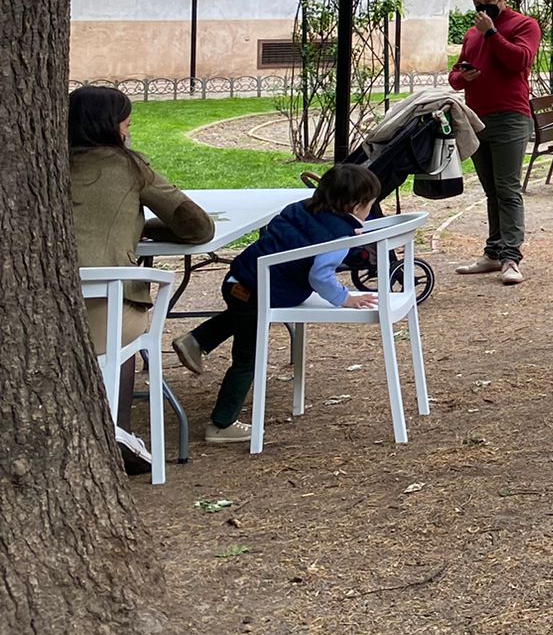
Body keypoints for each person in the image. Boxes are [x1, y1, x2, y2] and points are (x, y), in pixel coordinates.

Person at [173, 164, 381, 445]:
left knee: (242, 312)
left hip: (237, 280)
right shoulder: (337, 236)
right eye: (370, 205)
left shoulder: (299, 208)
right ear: (356, 206)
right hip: (263, 291)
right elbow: (320, 275)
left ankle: (196, 341)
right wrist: (345, 298)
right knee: (247, 359)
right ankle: (221, 424)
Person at [69, 86, 215, 462]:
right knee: (125, 332)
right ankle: (117, 431)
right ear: (114, 127)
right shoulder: (131, 167)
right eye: (127, 123)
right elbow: (198, 227)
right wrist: (146, 227)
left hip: (40, 308)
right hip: (106, 309)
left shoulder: (36, 163)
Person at [448, 0, 542, 284]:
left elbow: (520, 60)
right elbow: (455, 75)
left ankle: (511, 258)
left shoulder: (523, 25)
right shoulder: (472, 33)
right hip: (477, 119)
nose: (484, 10)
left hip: (510, 118)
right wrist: (465, 77)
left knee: (507, 189)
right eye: (478, 4)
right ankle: (493, 253)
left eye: (489, 3)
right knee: (492, 191)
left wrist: (491, 34)